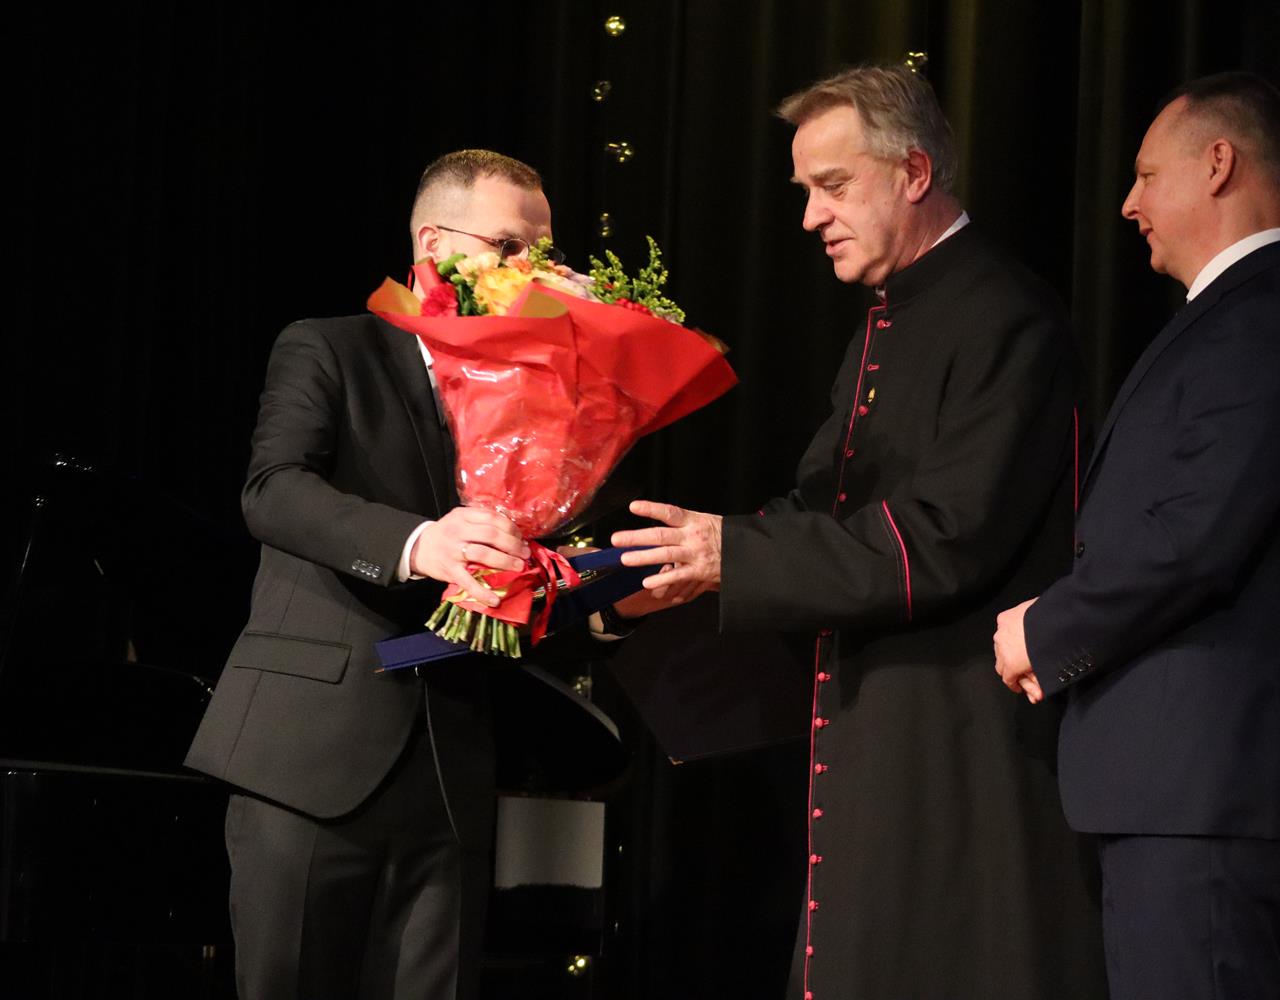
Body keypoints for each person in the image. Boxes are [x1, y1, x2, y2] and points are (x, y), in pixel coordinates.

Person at [613, 66, 1107, 1000]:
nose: (810, 217)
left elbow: (945, 537)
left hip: (960, 740)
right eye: (804, 191)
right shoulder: (888, 316)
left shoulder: (1006, 316)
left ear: (914, 172)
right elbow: (824, 507)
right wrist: (663, 565)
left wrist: (730, 555)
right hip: (879, 719)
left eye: (832, 186)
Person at [186, 150, 621, 999]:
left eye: (545, 253)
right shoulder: (331, 346)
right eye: (510, 246)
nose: (532, 270)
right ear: (434, 245)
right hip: (310, 756)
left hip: (451, 769)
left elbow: (546, 558)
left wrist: (598, 593)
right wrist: (422, 543)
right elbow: (274, 490)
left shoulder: (539, 391)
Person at [993, 72, 1280, 1000]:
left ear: (1218, 165)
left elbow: (1194, 539)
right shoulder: (1237, 319)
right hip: (1172, 789)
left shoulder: (1271, 323)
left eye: (1147, 176)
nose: (1129, 204)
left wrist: (1047, 628)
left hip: (1203, 793)